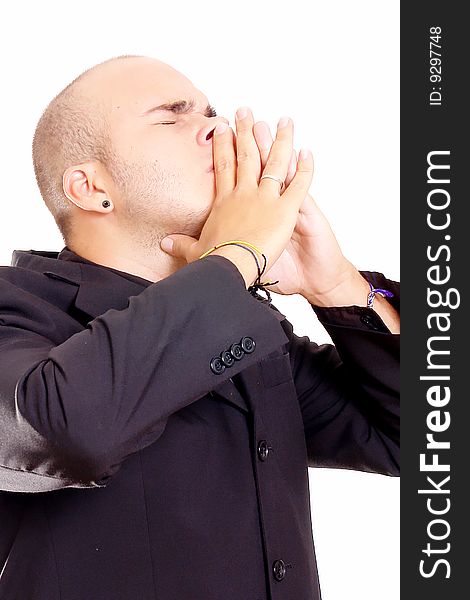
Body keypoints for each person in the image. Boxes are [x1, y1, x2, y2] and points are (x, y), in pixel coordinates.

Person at [0, 55, 399, 600]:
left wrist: (338, 287)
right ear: (91, 189)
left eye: (211, 113)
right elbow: (56, 432)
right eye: (172, 117)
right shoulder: (16, 304)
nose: (219, 127)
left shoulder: (246, 330)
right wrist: (235, 258)